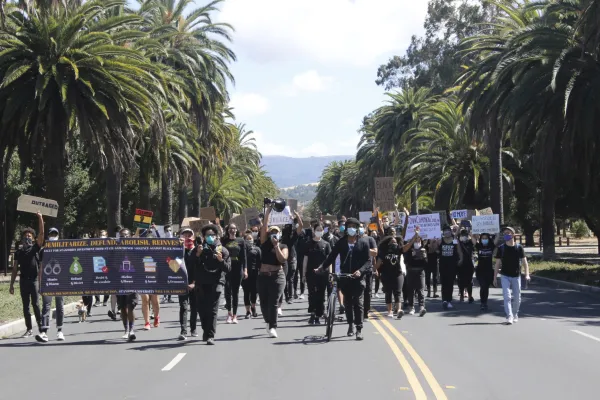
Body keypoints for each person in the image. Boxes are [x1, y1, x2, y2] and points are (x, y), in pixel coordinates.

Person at [317, 218, 371, 340]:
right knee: (348, 302)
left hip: (358, 278)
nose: (351, 228)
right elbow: (331, 257)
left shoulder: (363, 243)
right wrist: (321, 268)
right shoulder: (341, 243)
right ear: (346, 229)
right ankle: (350, 324)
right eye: (349, 226)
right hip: (345, 277)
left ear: (357, 229)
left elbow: (368, 262)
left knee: (358, 302)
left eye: (354, 226)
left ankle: (359, 328)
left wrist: (360, 271)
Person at [9, 212, 44, 338]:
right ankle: (29, 329)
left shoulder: (35, 248)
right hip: (23, 281)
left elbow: (41, 234)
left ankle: (41, 327)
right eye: (25, 236)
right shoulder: (19, 252)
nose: (27, 238)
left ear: (33, 238)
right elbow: (14, 269)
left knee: (35, 304)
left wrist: (40, 218)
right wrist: (11, 284)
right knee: (26, 307)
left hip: (34, 280)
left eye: (29, 236)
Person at [194, 224, 231, 344]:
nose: (210, 237)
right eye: (208, 235)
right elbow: (191, 265)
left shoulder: (223, 250)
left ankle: (210, 335)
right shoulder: (199, 249)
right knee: (202, 310)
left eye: (212, 235)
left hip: (216, 283)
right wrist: (198, 255)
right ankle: (206, 330)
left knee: (212, 310)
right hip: (201, 283)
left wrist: (221, 261)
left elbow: (228, 268)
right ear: (203, 237)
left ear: (216, 236)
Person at [258, 207, 288, 338]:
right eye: (271, 232)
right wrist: (268, 212)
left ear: (280, 234)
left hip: (277, 277)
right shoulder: (264, 242)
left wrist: (276, 246)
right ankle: (268, 321)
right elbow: (265, 225)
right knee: (264, 303)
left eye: (276, 232)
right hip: (263, 277)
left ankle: (273, 326)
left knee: (273, 302)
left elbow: (283, 259)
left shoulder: (283, 246)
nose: (273, 234)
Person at [494, 227, 530, 324]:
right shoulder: (501, 248)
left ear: (513, 235)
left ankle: (515, 314)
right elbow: (497, 264)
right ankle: (509, 315)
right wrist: (494, 278)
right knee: (507, 296)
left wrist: (527, 274)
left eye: (508, 233)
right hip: (505, 275)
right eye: (505, 233)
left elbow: (525, 262)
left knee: (517, 297)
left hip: (516, 276)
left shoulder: (519, 247)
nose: (506, 235)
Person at [36, 227, 65, 342]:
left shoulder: (62, 249)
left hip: (60, 282)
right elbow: (41, 268)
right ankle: (44, 332)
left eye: (55, 234)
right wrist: (40, 283)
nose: (53, 235)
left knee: (60, 306)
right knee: (46, 307)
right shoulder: (43, 250)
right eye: (51, 233)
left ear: (58, 235)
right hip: (48, 282)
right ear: (48, 235)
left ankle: (60, 331)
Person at [303, 223, 331, 325]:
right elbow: (305, 260)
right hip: (311, 273)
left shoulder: (326, 244)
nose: (319, 231)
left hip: (323, 273)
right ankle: (312, 313)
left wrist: (330, 273)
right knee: (312, 294)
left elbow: (329, 260)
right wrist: (303, 274)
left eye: (321, 229)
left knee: (321, 294)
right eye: (317, 229)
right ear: (314, 231)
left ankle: (319, 315)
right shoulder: (308, 243)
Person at [221, 223, 247, 324]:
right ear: (228, 230)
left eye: (235, 228)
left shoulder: (241, 241)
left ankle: (235, 316)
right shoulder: (224, 241)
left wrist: (245, 270)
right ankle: (229, 314)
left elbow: (244, 257)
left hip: (238, 269)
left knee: (235, 293)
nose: (233, 230)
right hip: (227, 269)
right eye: (231, 228)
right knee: (227, 291)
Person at [116, 228, 138, 341]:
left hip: (132, 281)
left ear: (130, 236)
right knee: (123, 308)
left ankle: (131, 330)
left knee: (131, 306)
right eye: (121, 236)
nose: (124, 237)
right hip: (119, 282)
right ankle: (125, 329)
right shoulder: (115, 249)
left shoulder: (135, 248)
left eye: (126, 235)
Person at [375, 236, 405, 319]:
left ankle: (398, 310)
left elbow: (407, 247)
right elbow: (378, 263)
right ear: (387, 243)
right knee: (388, 293)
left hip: (398, 274)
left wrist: (415, 236)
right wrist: (374, 269)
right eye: (392, 242)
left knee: (398, 292)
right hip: (386, 274)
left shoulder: (399, 250)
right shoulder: (383, 251)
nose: (394, 243)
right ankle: (389, 311)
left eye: (395, 242)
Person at [178, 227, 198, 340]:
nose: (187, 237)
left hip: (194, 284)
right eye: (184, 235)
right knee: (183, 307)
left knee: (194, 307)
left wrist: (194, 283)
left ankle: (193, 329)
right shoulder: (177, 251)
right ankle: (183, 331)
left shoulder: (197, 251)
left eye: (189, 235)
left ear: (193, 237)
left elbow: (198, 268)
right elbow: (172, 266)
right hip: (181, 284)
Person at [402, 229, 427, 317]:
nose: (417, 241)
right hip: (411, 270)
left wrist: (424, 257)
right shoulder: (409, 249)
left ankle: (421, 307)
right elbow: (405, 260)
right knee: (411, 290)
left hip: (420, 271)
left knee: (421, 290)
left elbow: (426, 263)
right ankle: (411, 307)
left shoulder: (423, 248)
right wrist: (411, 256)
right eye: (415, 239)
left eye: (418, 239)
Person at [438, 225, 463, 310]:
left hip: (452, 265)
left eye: (448, 230)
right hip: (442, 265)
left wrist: (461, 258)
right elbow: (435, 249)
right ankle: (444, 300)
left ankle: (449, 300)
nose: (447, 232)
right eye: (445, 231)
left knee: (450, 283)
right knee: (444, 283)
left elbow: (459, 250)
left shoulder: (455, 240)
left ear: (450, 231)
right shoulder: (440, 240)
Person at [282, 212, 303, 305]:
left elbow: (301, 226)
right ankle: (286, 295)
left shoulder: (294, 235)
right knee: (284, 278)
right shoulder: (280, 236)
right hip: (282, 258)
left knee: (289, 278)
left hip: (291, 258)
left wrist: (297, 216)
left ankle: (289, 297)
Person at [473, 233, 496, 311]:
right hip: (480, 270)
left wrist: (497, 230)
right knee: (482, 286)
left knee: (486, 287)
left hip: (489, 270)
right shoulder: (479, 246)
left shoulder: (491, 246)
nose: (484, 239)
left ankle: (485, 302)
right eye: (483, 238)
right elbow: (473, 238)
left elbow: (497, 238)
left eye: (486, 238)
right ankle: (482, 302)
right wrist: (474, 233)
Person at [242, 232, 261, 319]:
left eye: (251, 239)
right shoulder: (242, 249)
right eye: (247, 239)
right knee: (246, 292)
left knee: (254, 291)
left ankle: (253, 307)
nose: (249, 240)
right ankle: (247, 311)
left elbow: (260, 262)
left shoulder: (257, 249)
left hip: (255, 273)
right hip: (245, 273)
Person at [457, 229, 475, 303]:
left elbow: (475, 242)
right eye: (462, 235)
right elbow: (455, 236)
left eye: (465, 235)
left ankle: (470, 296)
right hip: (460, 264)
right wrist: (459, 227)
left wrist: (471, 234)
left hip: (469, 264)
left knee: (469, 281)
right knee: (460, 281)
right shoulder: (458, 243)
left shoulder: (470, 242)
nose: (464, 237)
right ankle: (461, 295)